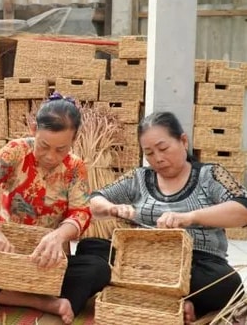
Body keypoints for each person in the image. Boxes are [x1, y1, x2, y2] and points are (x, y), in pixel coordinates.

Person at [0, 93, 111, 324]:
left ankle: (20, 294)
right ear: (33, 129)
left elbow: (80, 212)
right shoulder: (16, 151)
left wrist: (57, 237)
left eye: (61, 149)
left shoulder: (75, 167)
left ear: (74, 139)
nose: (51, 156)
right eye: (44, 146)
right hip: (8, 255)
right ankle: (45, 302)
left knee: (99, 269)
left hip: (48, 261)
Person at [89, 111, 247, 325]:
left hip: (197, 263)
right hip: (142, 260)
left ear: (183, 141)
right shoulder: (139, 178)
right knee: (90, 250)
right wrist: (112, 208)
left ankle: (150, 298)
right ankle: (176, 302)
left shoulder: (209, 175)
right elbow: (94, 201)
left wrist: (190, 217)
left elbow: (242, 209)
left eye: (163, 148)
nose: (158, 158)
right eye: (150, 153)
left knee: (227, 283)